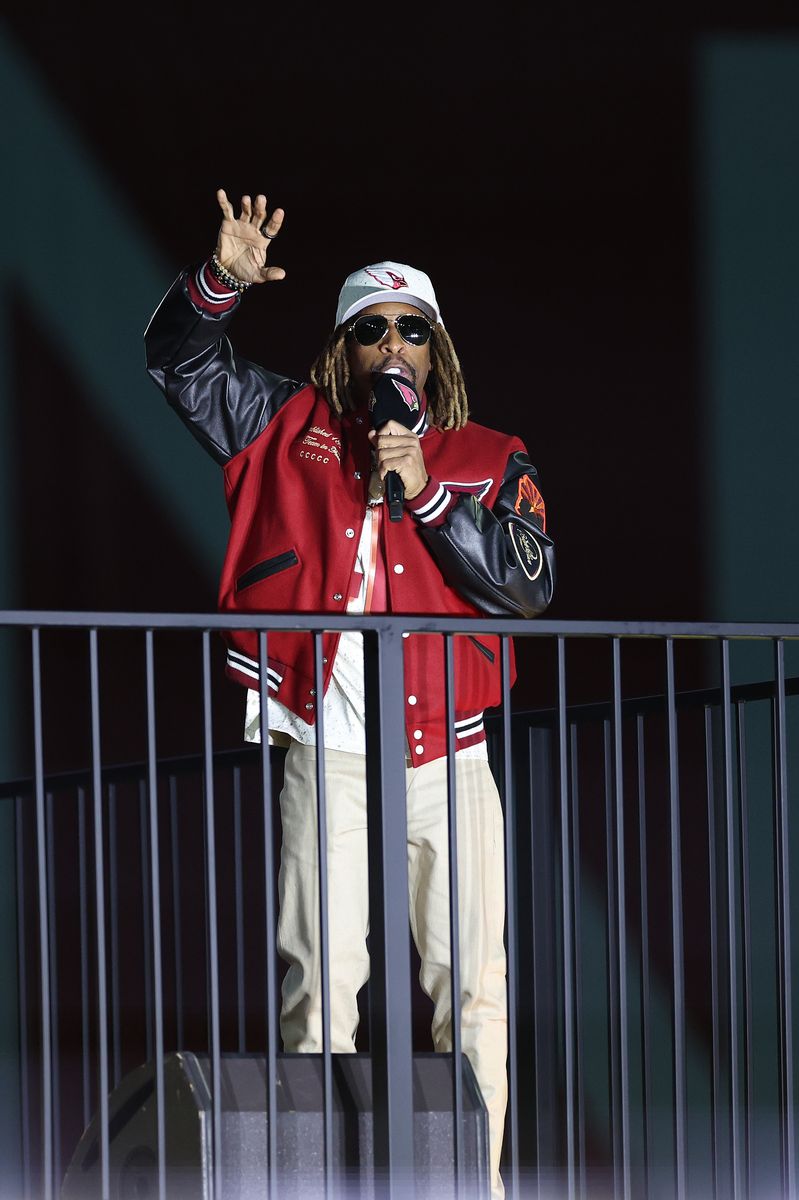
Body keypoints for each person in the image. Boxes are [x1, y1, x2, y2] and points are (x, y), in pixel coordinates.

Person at [144, 188, 555, 1198]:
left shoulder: (486, 457)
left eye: (413, 329)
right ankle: (317, 1185)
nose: (393, 344)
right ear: (343, 350)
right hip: (320, 752)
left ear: (437, 351)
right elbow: (180, 365)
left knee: (477, 994)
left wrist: (421, 489)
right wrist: (218, 287)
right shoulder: (284, 425)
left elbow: (528, 583)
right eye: (370, 329)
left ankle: (478, 1188)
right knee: (319, 991)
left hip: (447, 755)